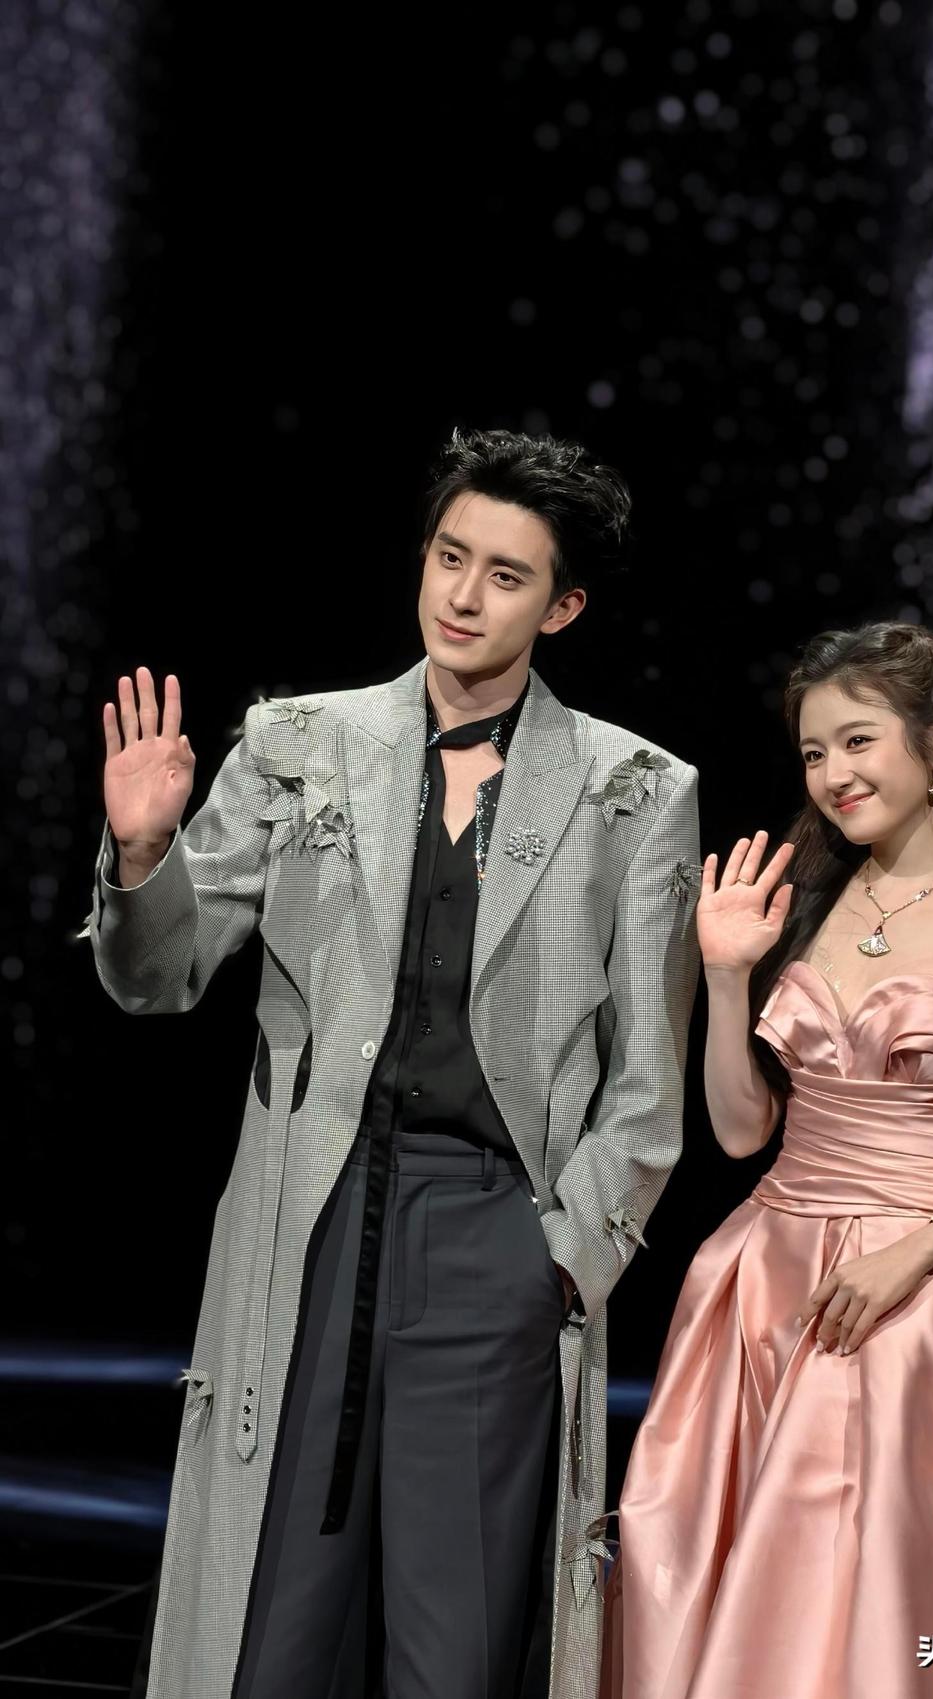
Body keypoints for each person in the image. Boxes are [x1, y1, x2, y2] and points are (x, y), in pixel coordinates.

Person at [83, 428, 702, 1699]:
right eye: (448, 556)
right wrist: (143, 855)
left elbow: (646, 1086)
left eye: (506, 575)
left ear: (562, 607)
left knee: (453, 1638)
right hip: (307, 1215)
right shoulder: (297, 742)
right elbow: (158, 976)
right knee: (272, 1624)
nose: (462, 596)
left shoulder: (634, 790)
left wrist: (557, 1264)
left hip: (492, 1232)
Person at [603, 621, 933, 1699]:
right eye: (812, 752)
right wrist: (726, 980)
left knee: (872, 1580)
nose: (833, 773)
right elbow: (741, 1131)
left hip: (918, 1298)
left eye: (857, 741)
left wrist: (920, 1248)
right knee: (729, 1578)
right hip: (762, 1281)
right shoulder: (803, 902)